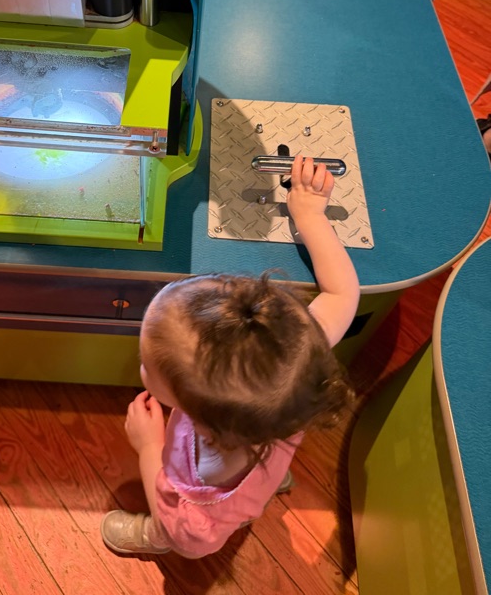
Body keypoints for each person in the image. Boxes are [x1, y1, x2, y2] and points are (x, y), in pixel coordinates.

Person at [100, 154, 360, 558]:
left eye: (146, 365)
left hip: (200, 513)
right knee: (259, 484)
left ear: (206, 424)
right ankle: (267, 481)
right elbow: (342, 293)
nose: (140, 367)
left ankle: (154, 537)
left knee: (173, 529)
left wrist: (149, 447)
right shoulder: (292, 357)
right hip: (263, 454)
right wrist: (310, 215)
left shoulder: (204, 481)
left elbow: (193, 543)